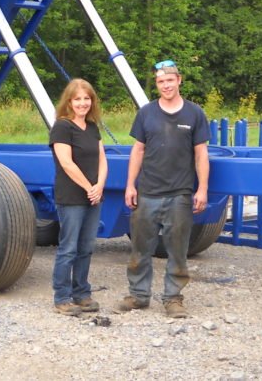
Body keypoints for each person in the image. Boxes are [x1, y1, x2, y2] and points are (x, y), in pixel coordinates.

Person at [115, 59, 209, 319]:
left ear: (179, 80)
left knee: (177, 249)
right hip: (147, 193)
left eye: (170, 80)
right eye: (160, 81)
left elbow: (201, 154)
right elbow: (138, 150)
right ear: (156, 85)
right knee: (140, 249)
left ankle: (173, 299)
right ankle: (138, 295)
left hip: (180, 194)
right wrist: (130, 185)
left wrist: (202, 189)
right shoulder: (146, 113)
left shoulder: (194, 113)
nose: (165, 85)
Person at [49, 78, 108, 315]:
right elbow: (66, 163)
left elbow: (102, 159)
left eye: (87, 98)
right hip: (72, 196)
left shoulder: (93, 127)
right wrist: (88, 187)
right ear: (69, 102)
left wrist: (100, 185)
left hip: (93, 196)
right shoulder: (62, 127)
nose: (83, 103)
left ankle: (82, 293)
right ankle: (62, 297)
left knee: (86, 247)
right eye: (77, 99)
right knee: (69, 248)